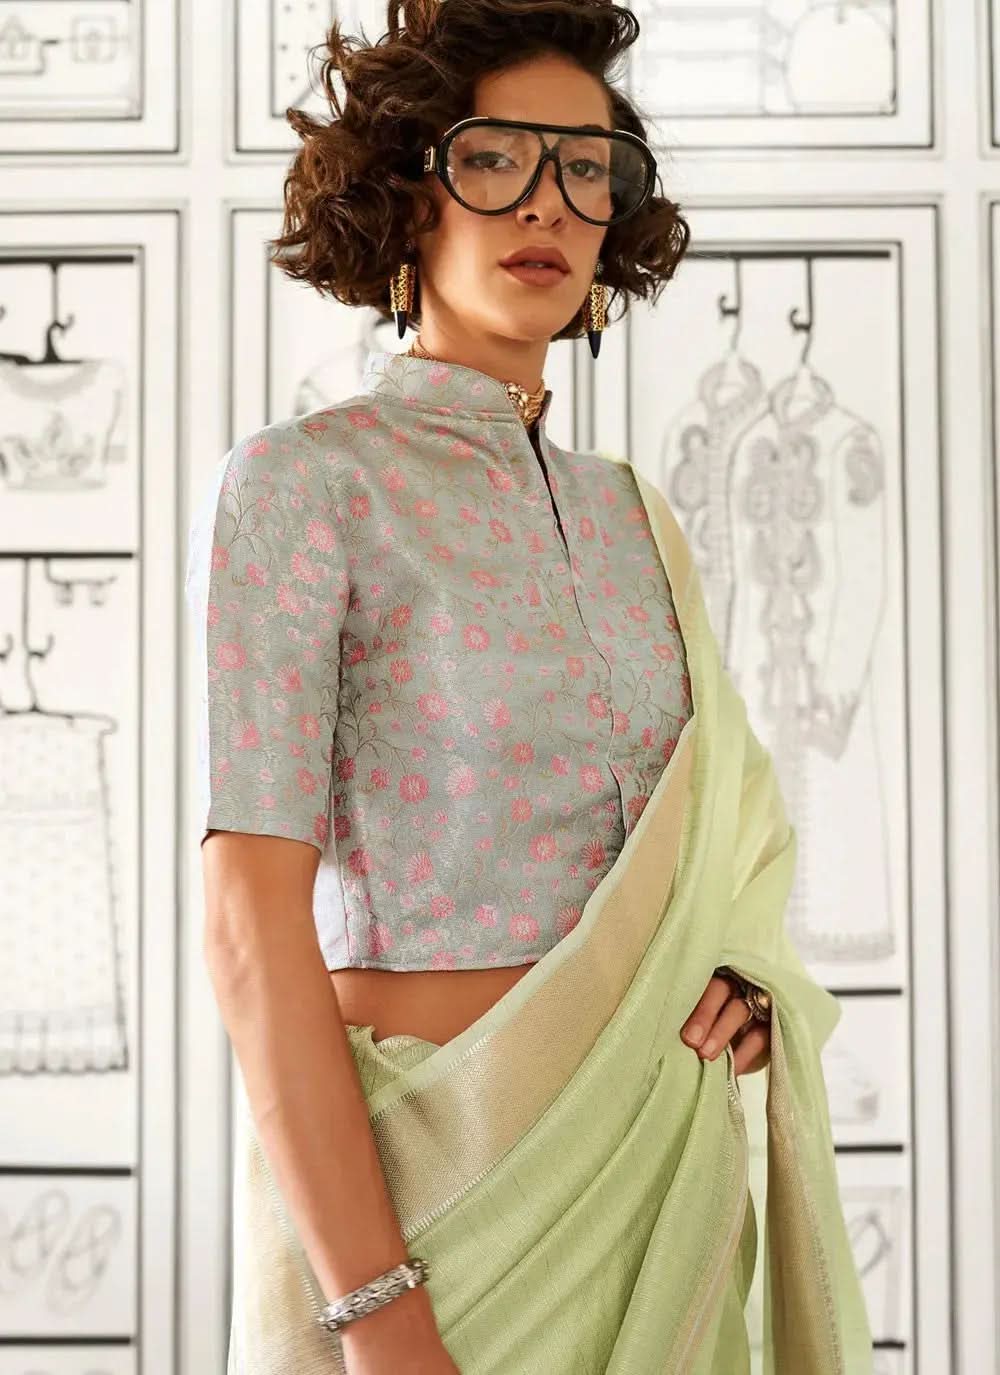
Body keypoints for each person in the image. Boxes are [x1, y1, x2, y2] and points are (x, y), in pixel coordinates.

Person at [185, 1, 874, 1371]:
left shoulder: (639, 520)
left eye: (586, 168)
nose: (546, 202)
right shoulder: (306, 487)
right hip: (435, 1211)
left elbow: (720, 851)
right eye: (494, 158)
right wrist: (377, 1311)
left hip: (658, 1189)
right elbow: (249, 930)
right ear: (407, 193)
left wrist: (748, 989)